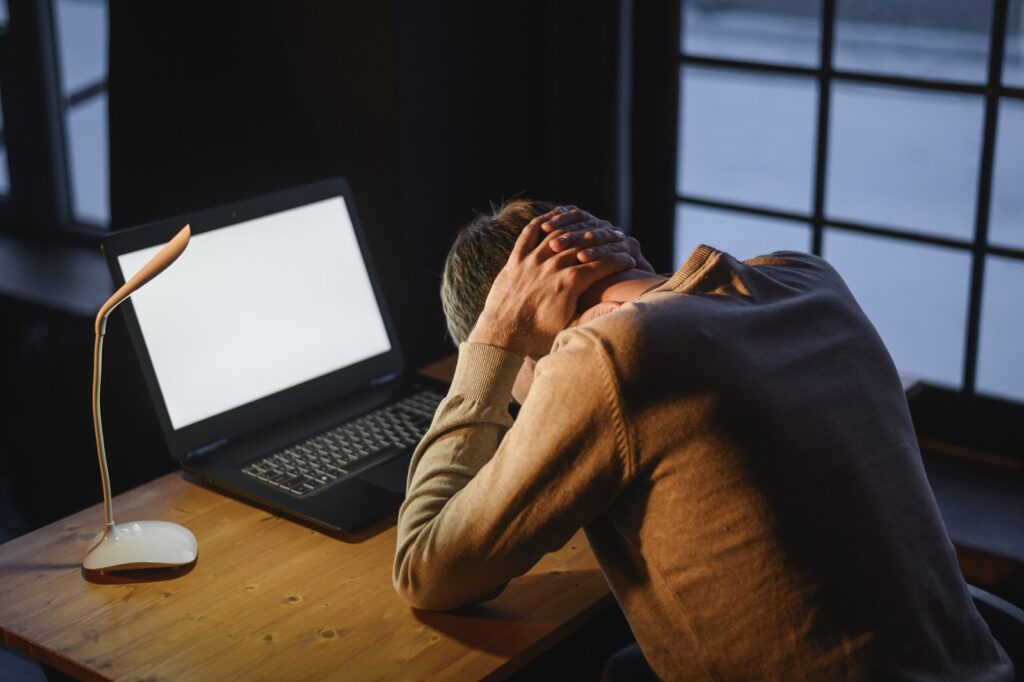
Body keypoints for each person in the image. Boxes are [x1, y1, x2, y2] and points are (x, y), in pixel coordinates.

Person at [393, 200, 1013, 680]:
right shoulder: (809, 280)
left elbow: (426, 569)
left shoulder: (604, 356)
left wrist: (490, 345)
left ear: (528, 324)